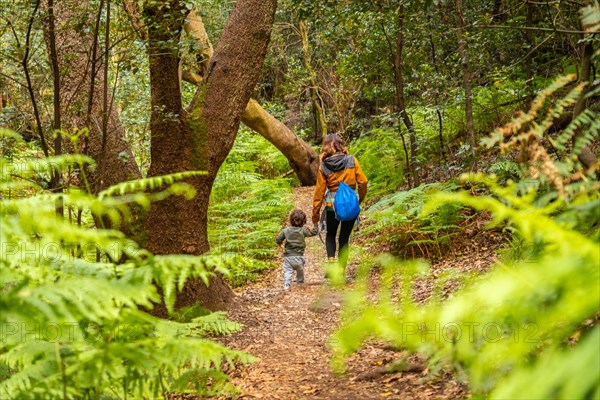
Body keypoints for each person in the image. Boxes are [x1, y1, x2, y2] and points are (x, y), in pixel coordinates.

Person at [312, 134, 368, 269]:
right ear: (341, 145)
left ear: (325, 147)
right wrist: (359, 199)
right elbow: (363, 181)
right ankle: (342, 270)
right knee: (344, 238)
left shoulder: (324, 167)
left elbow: (319, 192)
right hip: (350, 205)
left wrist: (315, 215)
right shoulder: (352, 160)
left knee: (330, 235)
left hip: (332, 206)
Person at [276, 209, 318, 290]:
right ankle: (300, 283)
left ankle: (286, 285)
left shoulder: (286, 230)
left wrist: (280, 243)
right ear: (303, 221)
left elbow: (278, 239)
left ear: (291, 220)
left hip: (288, 257)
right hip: (299, 257)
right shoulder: (303, 230)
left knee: (288, 271)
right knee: (300, 270)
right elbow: (314, 233)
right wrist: (314, 225)